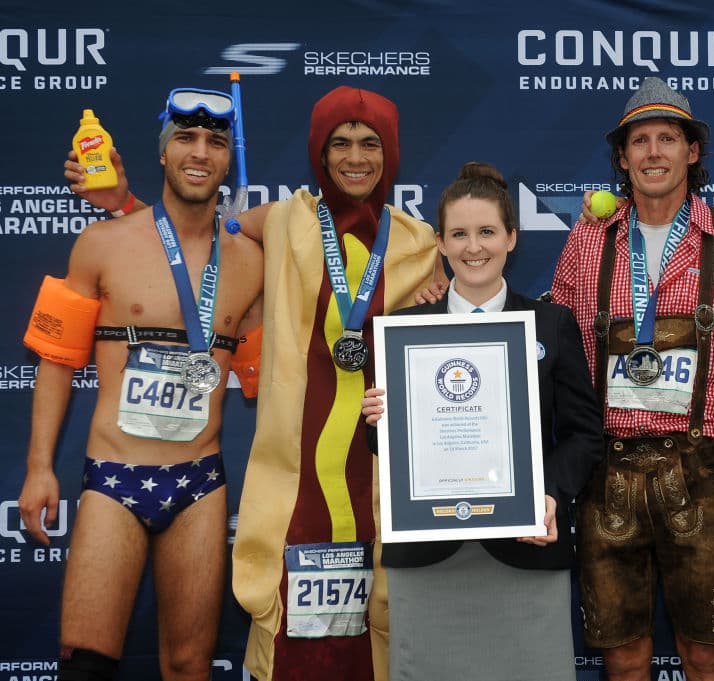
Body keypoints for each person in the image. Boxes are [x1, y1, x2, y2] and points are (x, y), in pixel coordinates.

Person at [62, 86, 443, 681]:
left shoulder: (423, 245)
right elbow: (193, 239)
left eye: (371, 144)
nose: (356, 157)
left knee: (381, 637)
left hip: (380, 481)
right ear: (319, 153)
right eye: (339, 143)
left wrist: (445, 297)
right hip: (292, 485)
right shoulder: (285, 218)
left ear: (391, 153)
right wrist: (124, 202)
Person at [21, 87, 263, 680]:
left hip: (200, 484)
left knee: (189, 666)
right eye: (185, 138)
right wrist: (38, 468)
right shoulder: (101, 244)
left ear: (230, 158)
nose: (199, 153)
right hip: (112, 476)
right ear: (162, 153)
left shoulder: (252, 262)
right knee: (86, 664)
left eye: (215, 142)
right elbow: (55, 360)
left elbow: (273, 374)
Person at [552, 76, 714, 681]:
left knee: (706, 656)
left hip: (704, 475)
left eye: (668, 138)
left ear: (692, 152)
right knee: (622, 659)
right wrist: (448, 297)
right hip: (609, 474)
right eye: (640, 141)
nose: (654, 152)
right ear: (622, 158)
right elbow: (547, 342)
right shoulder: (589, 236)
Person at [360, 161, 603, 681]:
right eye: (460, 234)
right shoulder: (401, 331)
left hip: (527, 546)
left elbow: (585, 435)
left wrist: (550, 494)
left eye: (488, 232)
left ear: (512, 238)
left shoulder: (552, 324)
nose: (475, 247)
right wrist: (377, 420)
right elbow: (385, 447)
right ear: (441, 244)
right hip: (428, 555)